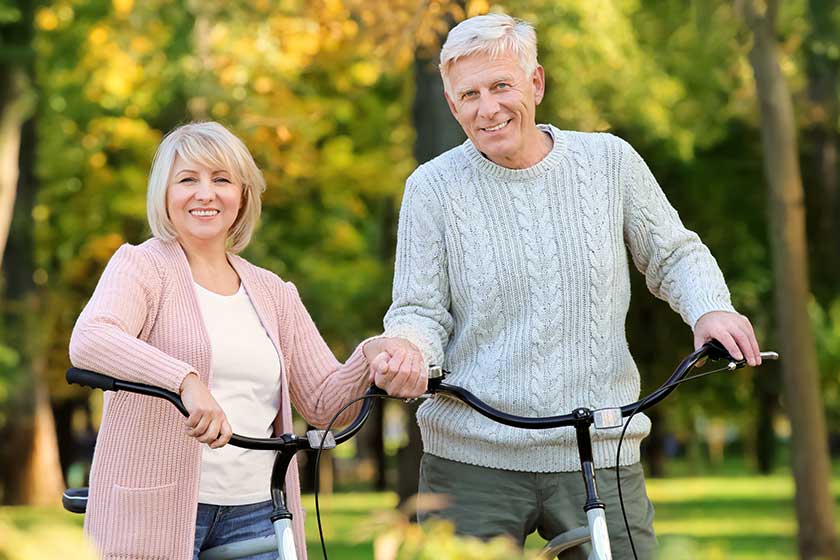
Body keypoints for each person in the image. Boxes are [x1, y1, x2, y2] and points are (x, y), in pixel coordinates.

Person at [375, 13, 762, 559]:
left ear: (536, 83)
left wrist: (709, 309)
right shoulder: (431, 189)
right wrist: (408, 349)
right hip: (471, 460)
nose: (487, 108)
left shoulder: (609, 162)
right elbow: (420, 309)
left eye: (501, 86)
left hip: (600, 450)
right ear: (450, 102)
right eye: (470, 95)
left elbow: (673, 254)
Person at [68, 121, 425, 560]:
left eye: (221, 180)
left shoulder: (273, 291)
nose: (205, 193)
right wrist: (186, 381)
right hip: (155, 507)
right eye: (187, 180)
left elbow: (322, 403)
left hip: (256, 509)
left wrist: (371, 354)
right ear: (165, 194)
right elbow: (91, 338)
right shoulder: (142, 267)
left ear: (242, 195)